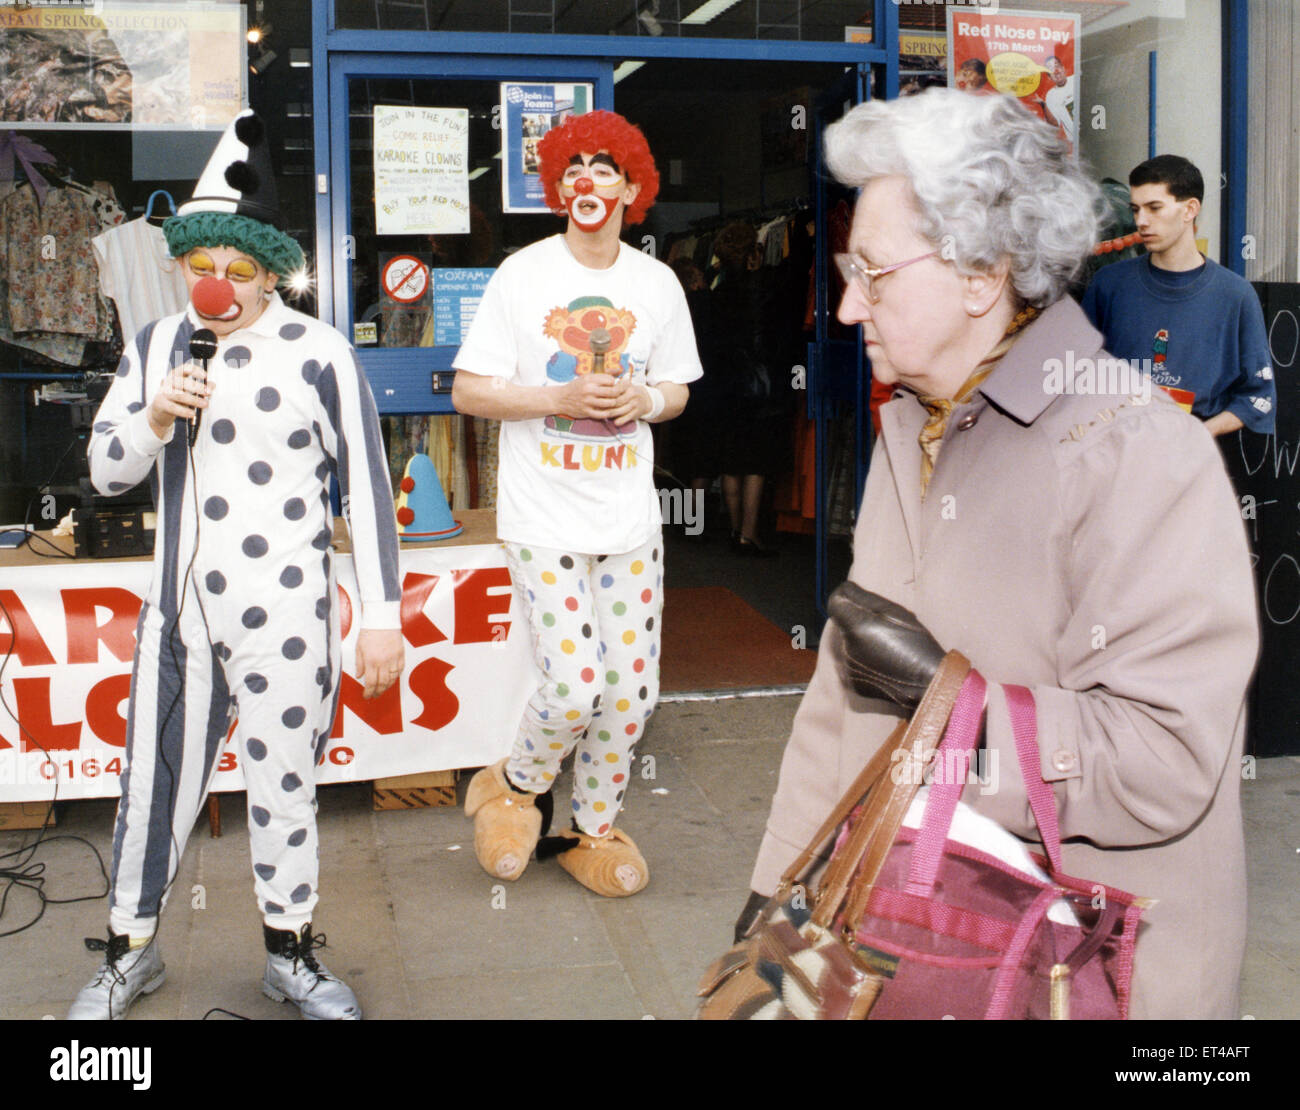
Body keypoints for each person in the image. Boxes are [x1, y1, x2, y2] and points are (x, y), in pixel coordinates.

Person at [736, 89, 1258, 1019]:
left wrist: (959, 707)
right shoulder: (915, 427)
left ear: (982, 275)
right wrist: (776, 888)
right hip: (904, 943)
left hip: (1083, 975)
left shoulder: (1135, 451)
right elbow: (839, 704)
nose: (849, 308)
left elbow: (1168, 755)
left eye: (875, 274)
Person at [71, 111, 403, 1020]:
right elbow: (103, 473)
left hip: (287, 616)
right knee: (153, 792)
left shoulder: (321, 353)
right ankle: (129, 952)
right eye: (199, 268)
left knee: (286, 787)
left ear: (269, 270)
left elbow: (366, 491)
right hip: (178, 623)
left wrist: (382, 617)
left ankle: (289, 954)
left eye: (238, 271)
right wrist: (152, 420)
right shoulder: (153, 347)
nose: (216, 287)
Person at [451, 110, 702, 897]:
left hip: (626, 518)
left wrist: (644, 399)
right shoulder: (521, 274)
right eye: (572, 167)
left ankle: (590, 828)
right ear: (559, 186)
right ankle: (517, 784)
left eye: (604, 166)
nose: (586, 178)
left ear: (633, 185)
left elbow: (681, 390)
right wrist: (556, 394)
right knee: (573, 686)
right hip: (543, 514)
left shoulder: (656, 282)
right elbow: (467, 390)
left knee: (632, 691)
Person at [1082, 154, 1274, 437]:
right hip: (1115, 454)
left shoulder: (1235, 296)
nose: (1141, 221)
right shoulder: (1108, 285)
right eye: (1136, 210)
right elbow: (1074, 373)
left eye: (1154, 208)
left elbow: (1257, 397)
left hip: (1194, 461)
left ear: (1190, 209)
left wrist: (1196, 436)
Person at [1036, 56, 1076, 147]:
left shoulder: (1077, 79)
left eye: (1056, 66)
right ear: (1049, 77)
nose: (1056, 71)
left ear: (1063, 68)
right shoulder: (1051, 96)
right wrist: (1044, 105)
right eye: (1050, 69)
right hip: (1077, 143)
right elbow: (1054, 126)